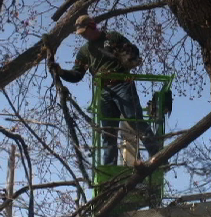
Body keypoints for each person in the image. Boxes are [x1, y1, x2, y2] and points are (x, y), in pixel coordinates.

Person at [50, 15, 160, 166]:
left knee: (135, 121)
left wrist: (128, 53)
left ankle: (159, 156)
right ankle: (109, 168)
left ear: (92, 26)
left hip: (122, 83)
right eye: (80, 34)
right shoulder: (84, 51)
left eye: (84, 32)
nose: (83, 36)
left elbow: (133, 52)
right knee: (108, 131)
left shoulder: (112, 37)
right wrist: (61, 72)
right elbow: (77, 74)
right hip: (103, 90)